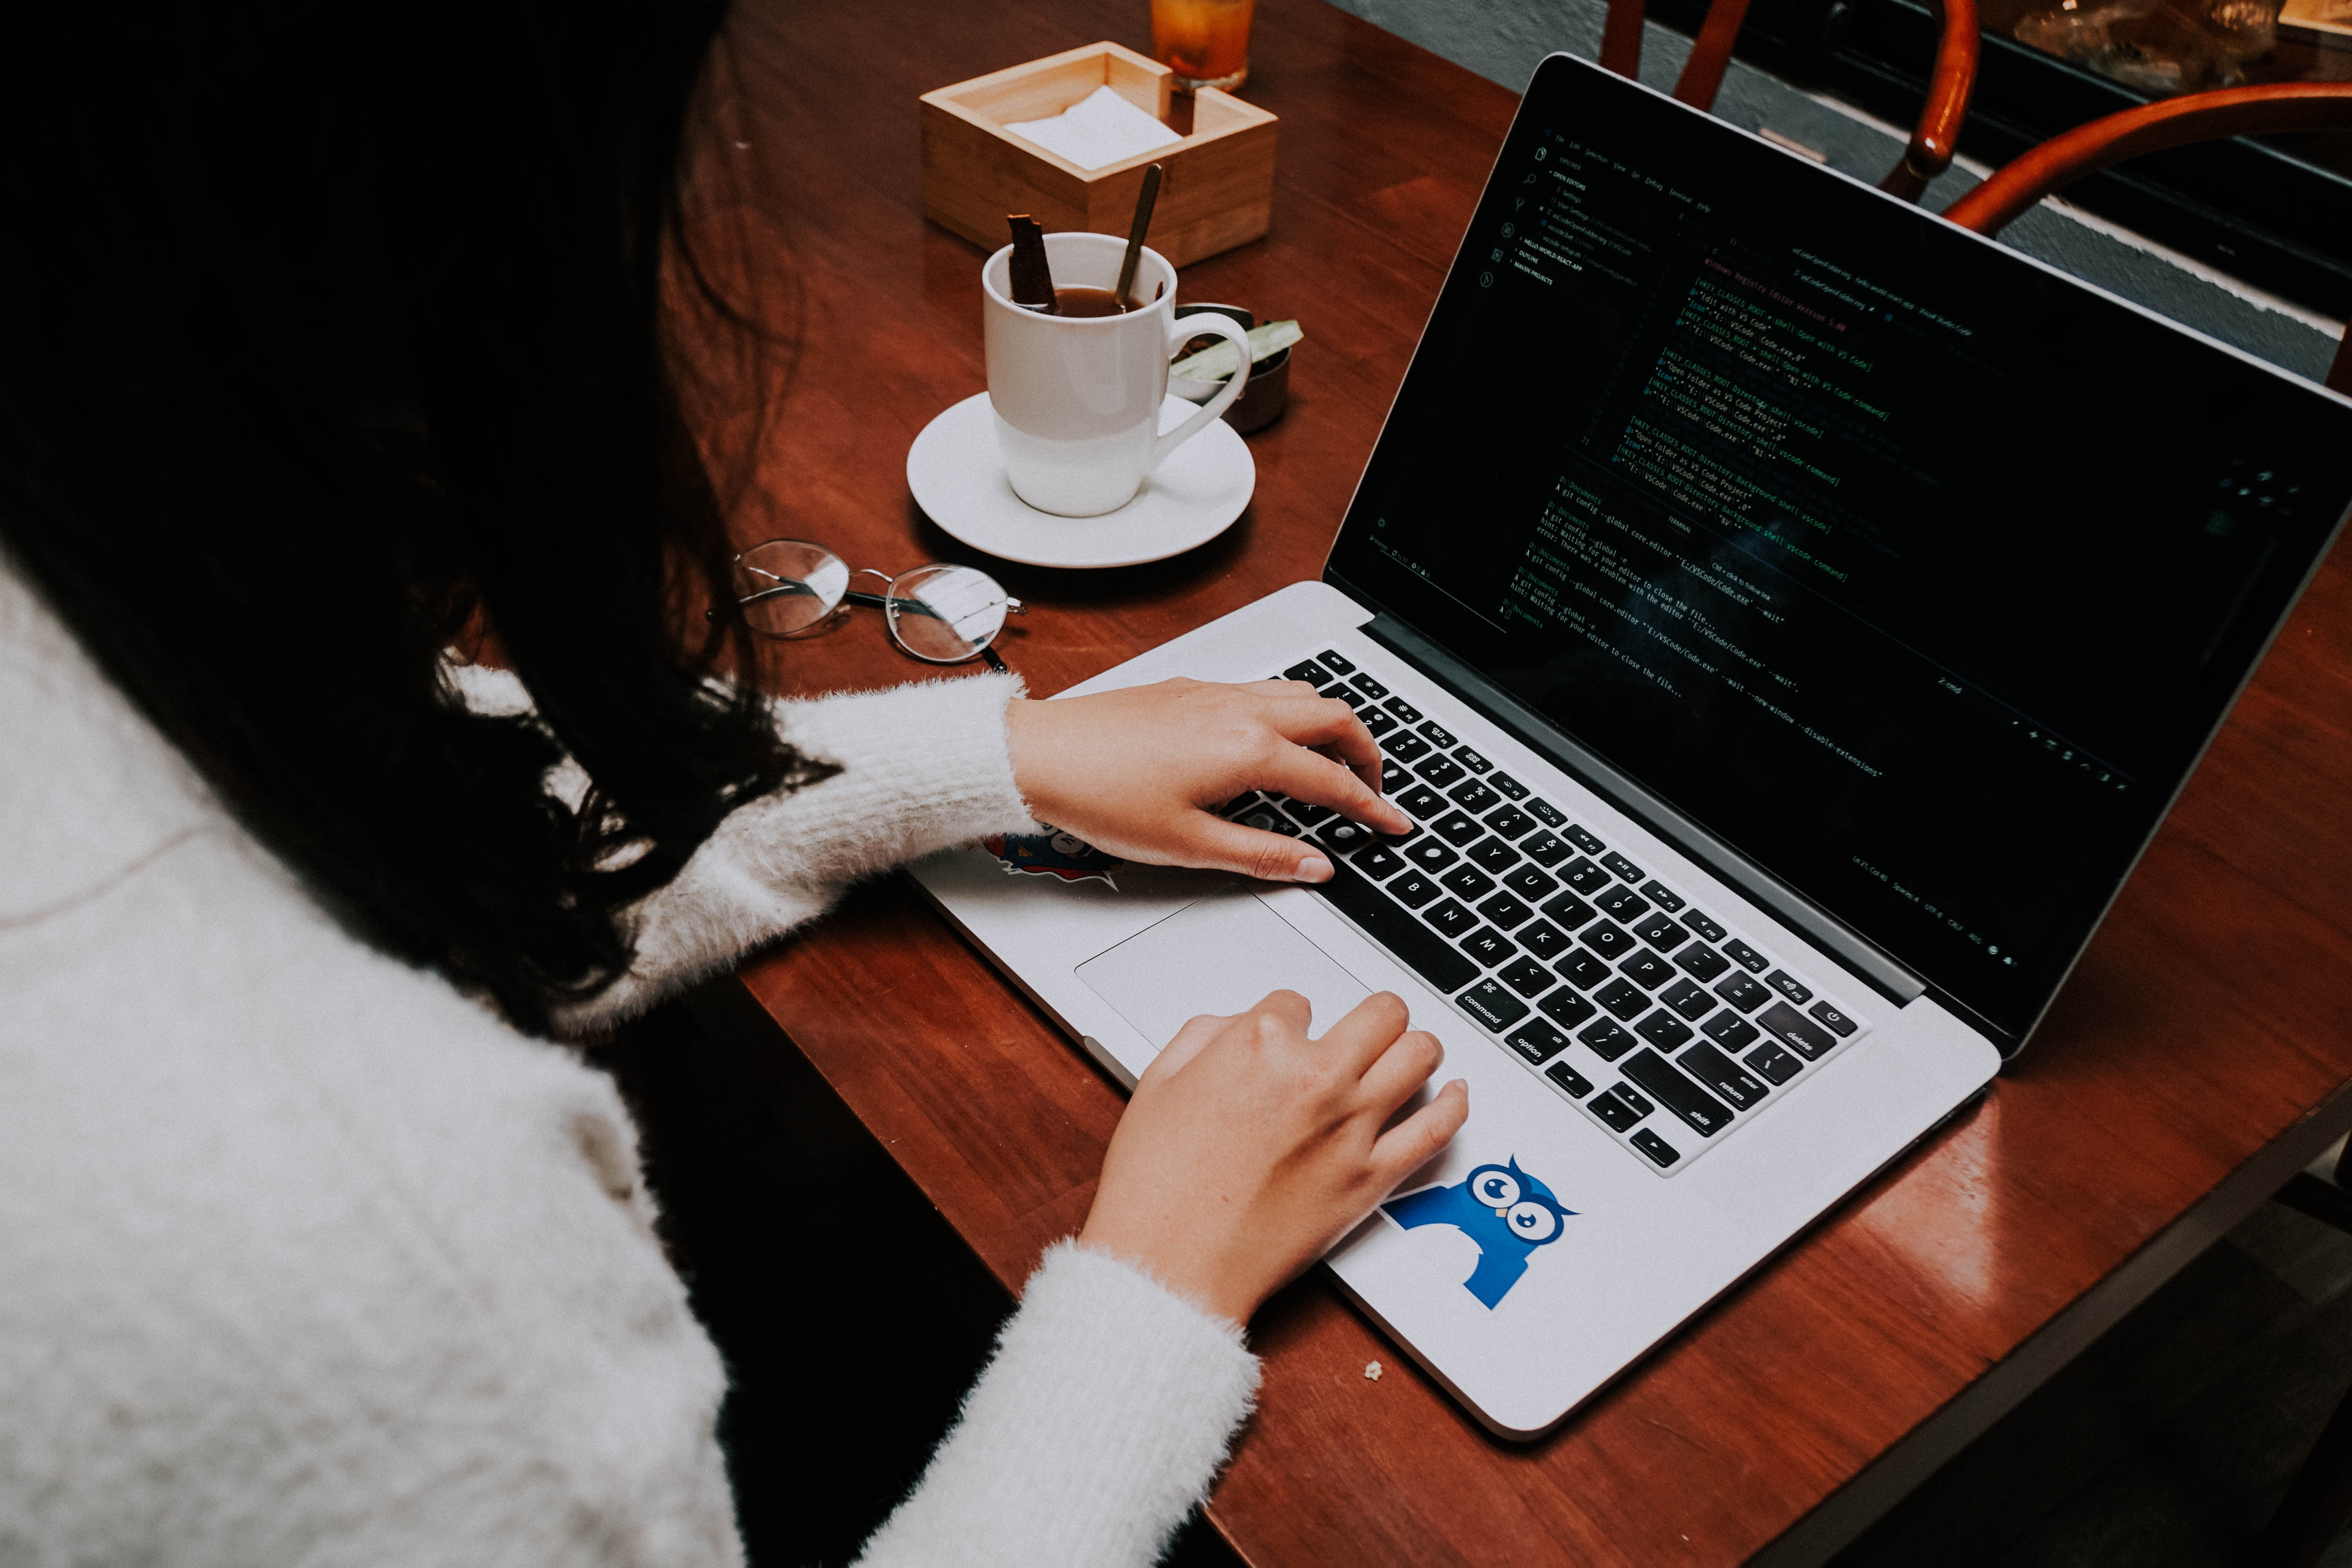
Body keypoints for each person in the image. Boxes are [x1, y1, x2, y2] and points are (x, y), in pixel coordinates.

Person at [0, 5, 1469, 1564]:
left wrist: (999, 755)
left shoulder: (102, 567)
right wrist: (1160, 1282)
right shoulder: (384, 1259)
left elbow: (430, 773)